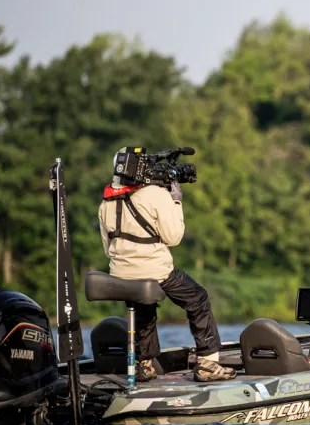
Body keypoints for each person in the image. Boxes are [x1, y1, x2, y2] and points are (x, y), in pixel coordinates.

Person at [98, 147, 235, 382]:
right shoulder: (155, 194)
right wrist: (176, 200)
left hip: (120, 273)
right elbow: (174, 237)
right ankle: (208, 364)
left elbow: (106, 246)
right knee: (198, 299)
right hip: (155, 269)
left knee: (144, 308)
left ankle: (143, 364)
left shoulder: (106, 202)